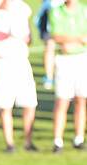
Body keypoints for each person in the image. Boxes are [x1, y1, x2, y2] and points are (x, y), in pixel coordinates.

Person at [0, 0, 38, 152]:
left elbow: (28, 37)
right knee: (5, 105)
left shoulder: (22, 7)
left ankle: (28, 141)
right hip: (1, 60)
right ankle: (10, 144)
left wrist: (22, 36)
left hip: (21, 60)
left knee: (29, 102)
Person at [49, 0, 86, 153]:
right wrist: (78, 40)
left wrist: (71, 40)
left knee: (81, 100)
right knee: (62, 101)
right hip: (64, 60)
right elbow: (57, 36)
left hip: (81, 58)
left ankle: (79, 138)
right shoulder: (56, 11)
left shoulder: (84, 10)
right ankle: (58, 141)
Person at [35, 0, 65, 90]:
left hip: (64, 12)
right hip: (49, 10)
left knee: (65, 47)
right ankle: (49, 77)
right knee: (49, 46)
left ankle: (62, 76)